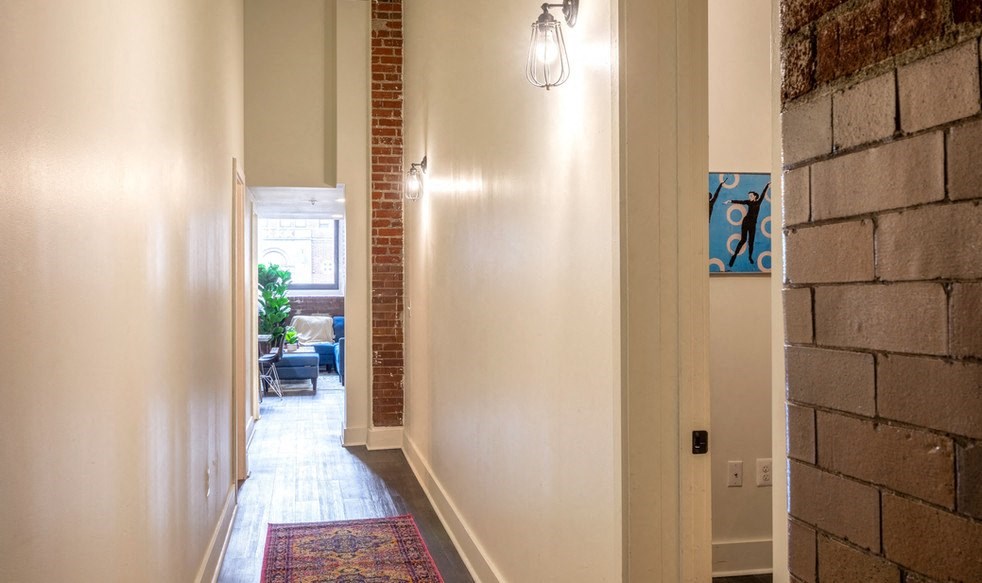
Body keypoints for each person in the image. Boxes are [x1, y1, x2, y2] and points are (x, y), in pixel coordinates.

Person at [725, 182, 769, 267]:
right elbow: (740, 202)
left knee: (751, 242)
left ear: (755, 196)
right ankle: (734, 256)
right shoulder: (748, 202)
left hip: (753, 224)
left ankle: (750, 257)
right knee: (743, 240)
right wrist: (730, 201)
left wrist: (767, 185)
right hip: (745, 222)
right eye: (749, 196)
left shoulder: (758, 202)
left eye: (751, 196)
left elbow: (763, 193)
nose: (749, 197)